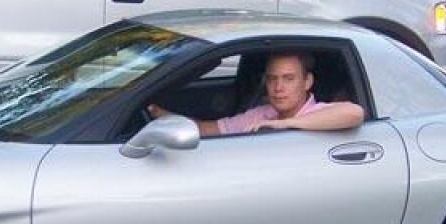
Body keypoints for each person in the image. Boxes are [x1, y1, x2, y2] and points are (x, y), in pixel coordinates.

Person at [148, 51, 364, 136]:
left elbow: (354, 113)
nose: (278, 87)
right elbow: (208, 129)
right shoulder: (261, 114)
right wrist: (157, 112)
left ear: (307, 81)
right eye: (272, 79)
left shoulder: (318, 113)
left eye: (289, 79)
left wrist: (285, 124)